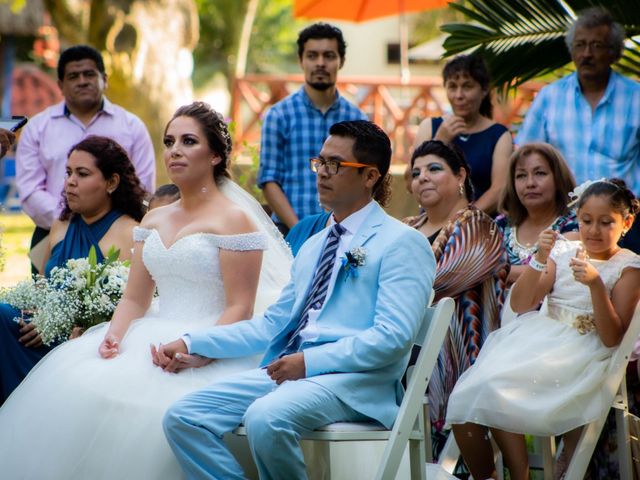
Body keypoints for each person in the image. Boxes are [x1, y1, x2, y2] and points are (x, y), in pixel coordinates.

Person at [0, 102, 292, 479]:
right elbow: (137, 297)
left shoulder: (234, 220)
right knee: (78, 388)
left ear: (216, 155)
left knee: (155, 414)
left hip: (212, 337)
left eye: (189, 141)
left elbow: (239, 306)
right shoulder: (154, 218)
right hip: (149, 331)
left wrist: (200, 350)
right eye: (170, 141)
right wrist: (114, 336)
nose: (175, 150)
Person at [159, 120, 435, 479]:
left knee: (265, 417)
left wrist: (308, 362)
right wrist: (193, 342)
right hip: (288, 375)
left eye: (334, 165)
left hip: (354, 383)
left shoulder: (402, 243)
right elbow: (272, 325)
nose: (321, 173)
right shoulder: (314, 244)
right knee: (183, 417)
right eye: (319, 162)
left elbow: (392, 338)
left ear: (370, 176)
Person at [446, 179, 640, 480]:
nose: (593, 230)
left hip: (584, 351)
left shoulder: (628, 267)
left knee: (497, 388)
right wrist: (539, 258)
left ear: (626, 223)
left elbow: (612, 336)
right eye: (587, 220)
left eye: (606, 223)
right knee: (471, 391)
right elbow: (523, 305)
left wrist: (595, 285)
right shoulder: (564, 250)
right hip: (538, 338)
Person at [0, 135, 145, 404]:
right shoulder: (61, 225)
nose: (70, 182)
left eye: (82, 173)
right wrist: (42, 318)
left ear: (112, 182)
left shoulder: (130, 232)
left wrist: (77, 330)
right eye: (68, 172)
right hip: (39, 332)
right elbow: (41, 285)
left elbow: (135, 304)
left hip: (88, 342)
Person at [406, 140, 508, 454]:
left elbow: (442, 282)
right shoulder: (406, 229)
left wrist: (388, 298)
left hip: (458, 349)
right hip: (405, 343)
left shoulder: (480, 227)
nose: (422, 177)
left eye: (434, 169)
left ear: (460, 175)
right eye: (415, 173)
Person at [16, 44, 155, 272]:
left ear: (105, 79)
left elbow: (144, 186)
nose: (82, 81)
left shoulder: (131, 127)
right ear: (60, 85)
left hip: (116, 235)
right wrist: (68, 221)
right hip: (51, 233)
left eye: (89, 74)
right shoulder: (38, 127)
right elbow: (30, 189)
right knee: (42, 303)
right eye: (73, 76)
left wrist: (106, 221)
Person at [515, 7, 640, 252]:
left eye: (597, 45)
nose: (587, 54)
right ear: (572, 51)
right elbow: (524, 155)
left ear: (614, 53)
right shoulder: (549, 98)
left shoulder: (636, 98)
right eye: (580, 45)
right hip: (562, 219)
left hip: (625, 222)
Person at [258, 23, 367, 234]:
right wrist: (301, 230)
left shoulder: (357, 120)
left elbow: (364, 180)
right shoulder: (279, 115)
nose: (320, 63)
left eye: (329, 56)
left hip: (343, 232)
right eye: (312, 56)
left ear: (341, 61)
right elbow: (269, 180)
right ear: (301, 61)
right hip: (289, 231)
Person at [414, 53, 513, 214]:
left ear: (484, 90)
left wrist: (462, 221)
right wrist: (439, 141)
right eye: (453, 87)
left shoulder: (499, 135)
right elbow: (411, 179)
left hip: (479, 224)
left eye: (467, 86)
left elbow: (499, 189)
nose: (459, 95)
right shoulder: (430, 126)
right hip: (433, 223)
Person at [497, 143, 579, 286]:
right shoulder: (501, 225)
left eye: (540, 173)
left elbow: (555, 272)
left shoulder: (575, 224)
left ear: (558, 179)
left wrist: (497, 272)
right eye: (521, 175)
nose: (530, 183)